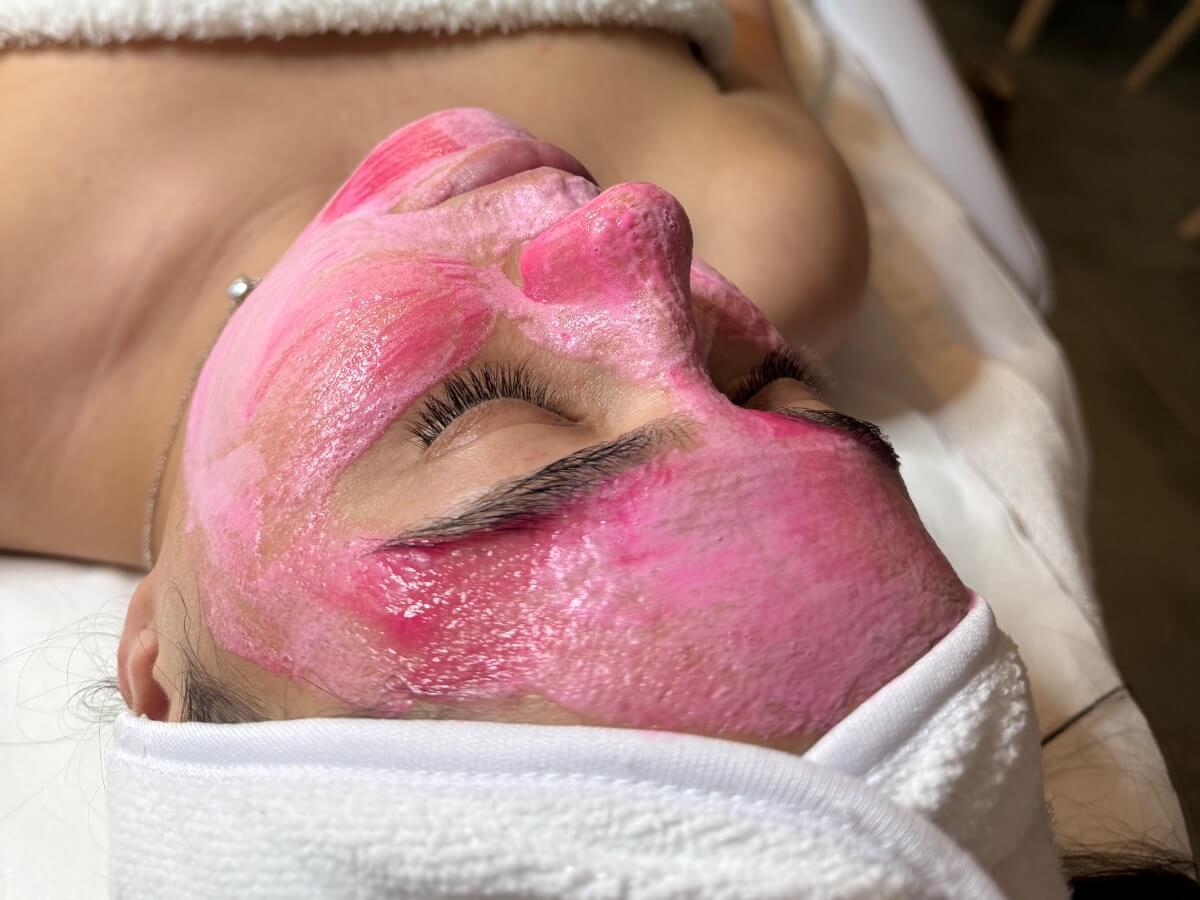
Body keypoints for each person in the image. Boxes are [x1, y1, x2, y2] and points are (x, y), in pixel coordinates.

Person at [1, 2, 1195, 896]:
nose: (639, 225)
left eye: (488, 411)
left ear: (159, 678)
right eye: (765, 385)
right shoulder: (786, 222)